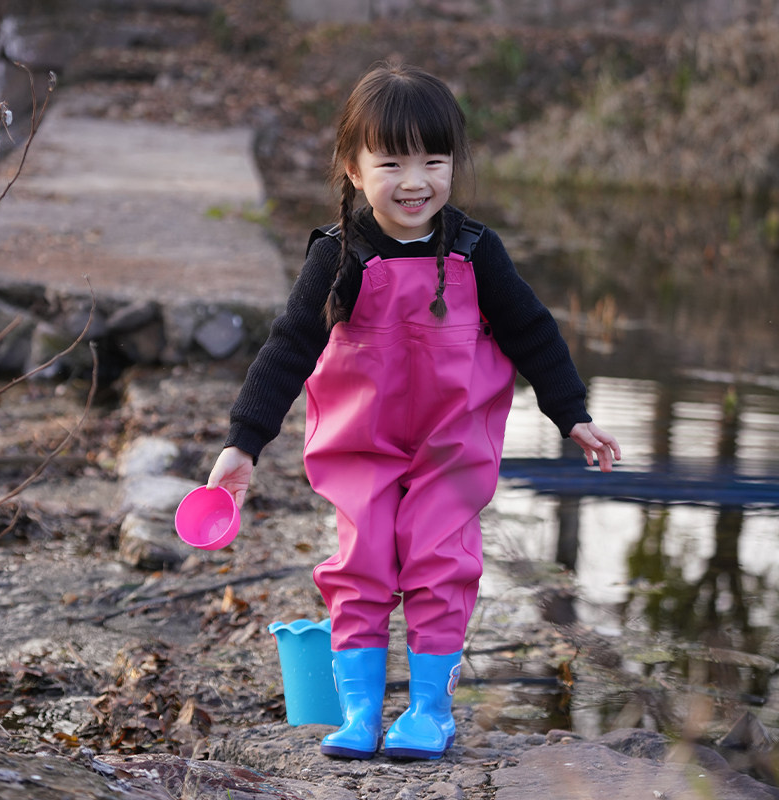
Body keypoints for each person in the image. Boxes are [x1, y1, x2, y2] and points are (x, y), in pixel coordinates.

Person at [207, 62, 621, 761]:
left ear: (454, 164)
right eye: (392, 161)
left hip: (451, 448)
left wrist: (570, 412)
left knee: (439, 564)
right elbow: (289, 347)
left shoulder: (474, 250)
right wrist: (244, 442)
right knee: (361, 563)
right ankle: (361, 712)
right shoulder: (337, 256)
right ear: (352, 166)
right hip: (359, 445)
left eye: (434, 160)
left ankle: (430, 710)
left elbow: (533, 331)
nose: (415, 181)